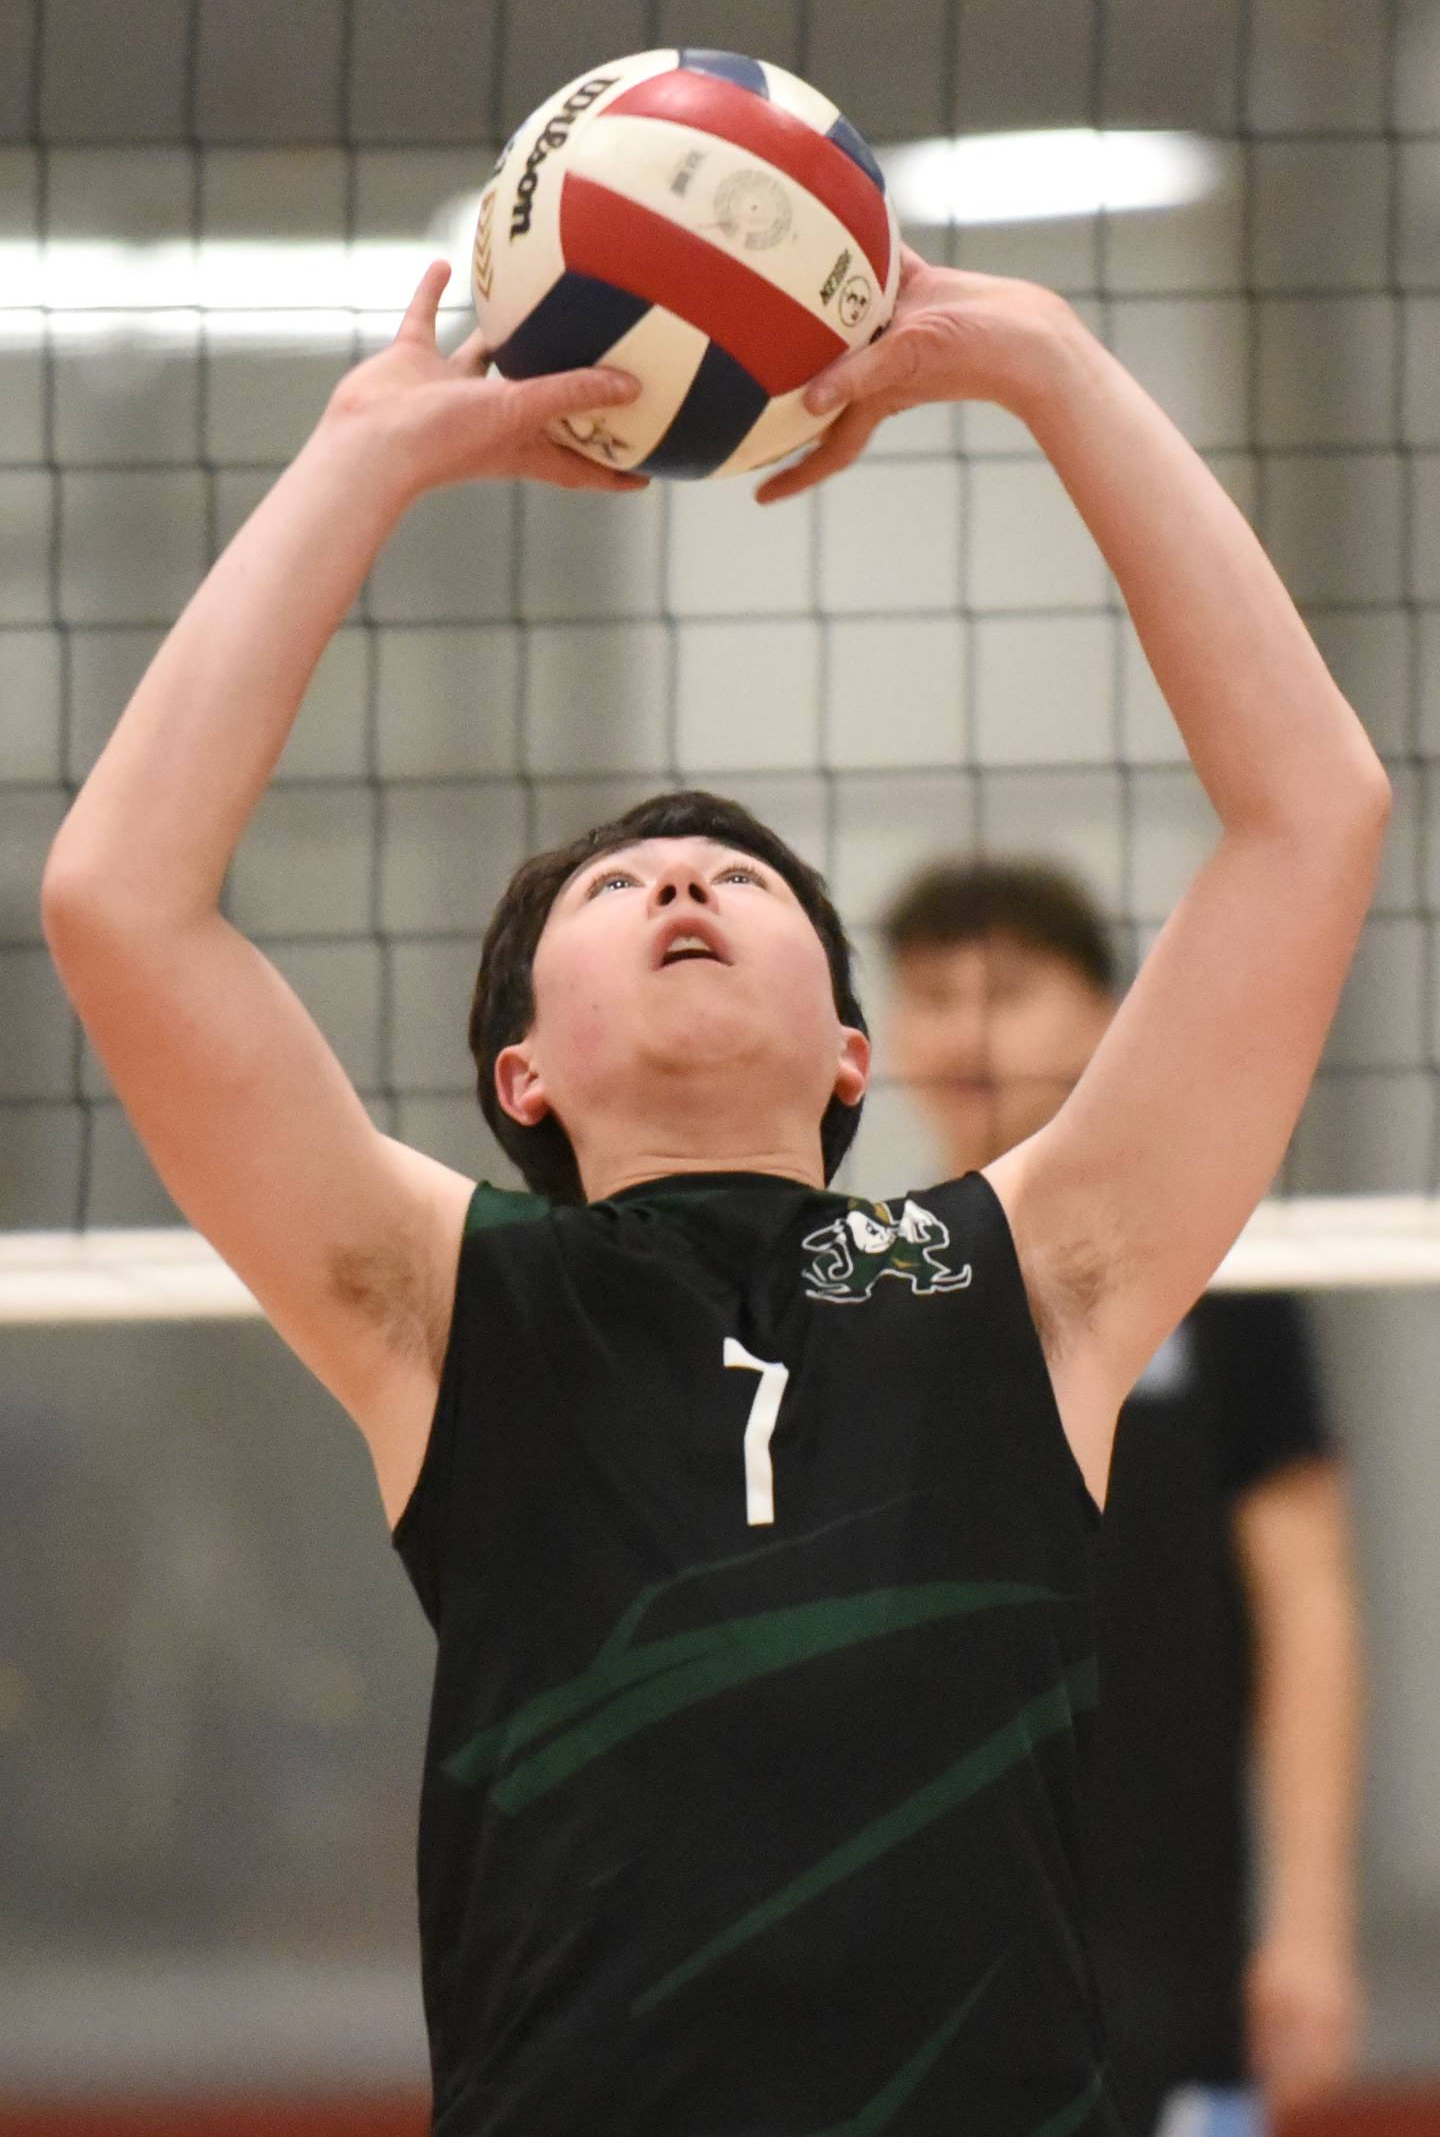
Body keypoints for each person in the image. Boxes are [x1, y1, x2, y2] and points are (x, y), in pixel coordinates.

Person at [41, 246, 1389, 2134]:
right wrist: (360, 456)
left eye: (741, 879)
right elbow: (119, 903)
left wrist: (1056, 366)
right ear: (521, 1073)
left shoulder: (1028, 1275)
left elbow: (1314, 818)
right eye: (616, 888)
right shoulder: (450, 1300)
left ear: (850, 1051)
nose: (681, 880)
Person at [882, 860, 1366, 2137]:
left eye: (1006, 992)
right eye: (931, 995)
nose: (965, 1033)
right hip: (930, 1938)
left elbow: (1307, 1600)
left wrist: (1312, 1920)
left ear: (1102, 1018)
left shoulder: (1221, 1265)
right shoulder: (863, 1287)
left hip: (1171, 1931)